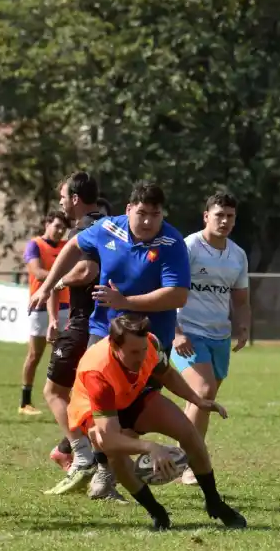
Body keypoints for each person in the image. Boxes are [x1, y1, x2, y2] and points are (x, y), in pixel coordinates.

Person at [29, 181, 191, 501]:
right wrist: (48, 285)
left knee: (132, 415)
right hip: (103, 332)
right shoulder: (108, 229)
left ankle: (111, 467)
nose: (147, 221)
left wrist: (124, 300)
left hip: (148, 342)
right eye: (141, 213)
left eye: (155, 215)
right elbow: (75, 245)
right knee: (97, 406)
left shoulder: (171, 242)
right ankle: (100, 467)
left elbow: (178, 295)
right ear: (128, 209)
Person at [68, 313, 246, 530]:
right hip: (97, 411)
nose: (141, 357)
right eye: (134, 352)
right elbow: (109, 439)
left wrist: (197, 400)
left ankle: (214, 502)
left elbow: (167, 374)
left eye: (143, 350)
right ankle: (157, 512)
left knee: (188, 431)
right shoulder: (97, 372)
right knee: (116, 456)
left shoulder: (150, 342)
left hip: (133, 395)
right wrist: (149, 447)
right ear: (114, 346)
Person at [171, 192, 251, 485]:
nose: (225, 221)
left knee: (202, 398)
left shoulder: (237, 255)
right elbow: (168, 288)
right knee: (203, 391)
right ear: (206, 216)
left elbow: (241, 300)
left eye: (230, 216)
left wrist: (243, 327)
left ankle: (180, 454)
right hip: (187, 332)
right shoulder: (189, 247)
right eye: (219, 215)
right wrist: (176, 333)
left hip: (219, 336)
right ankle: (190, 462)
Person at [42, 172, 105, 493]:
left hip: (85, 322)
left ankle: (81, 455)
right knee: (93, 400)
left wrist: (57, 282)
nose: (62, 203)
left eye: (64, 197)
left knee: (53, 392)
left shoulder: (85, 229)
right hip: (111, 323)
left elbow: (88, 269)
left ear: (76, 199)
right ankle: (70, 452)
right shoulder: (111, 221)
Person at [19, 210, 71, 415]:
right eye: (57, 226)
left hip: (66, 306)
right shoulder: (35, 245)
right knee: (35, 354)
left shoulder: (67, 247)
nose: (60, 231)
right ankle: (25, 402)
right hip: (40, 306)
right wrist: (62, 278)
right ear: (47, 224)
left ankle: (65, 398)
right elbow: (38, 273)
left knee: (65, 354)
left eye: (63, 228)